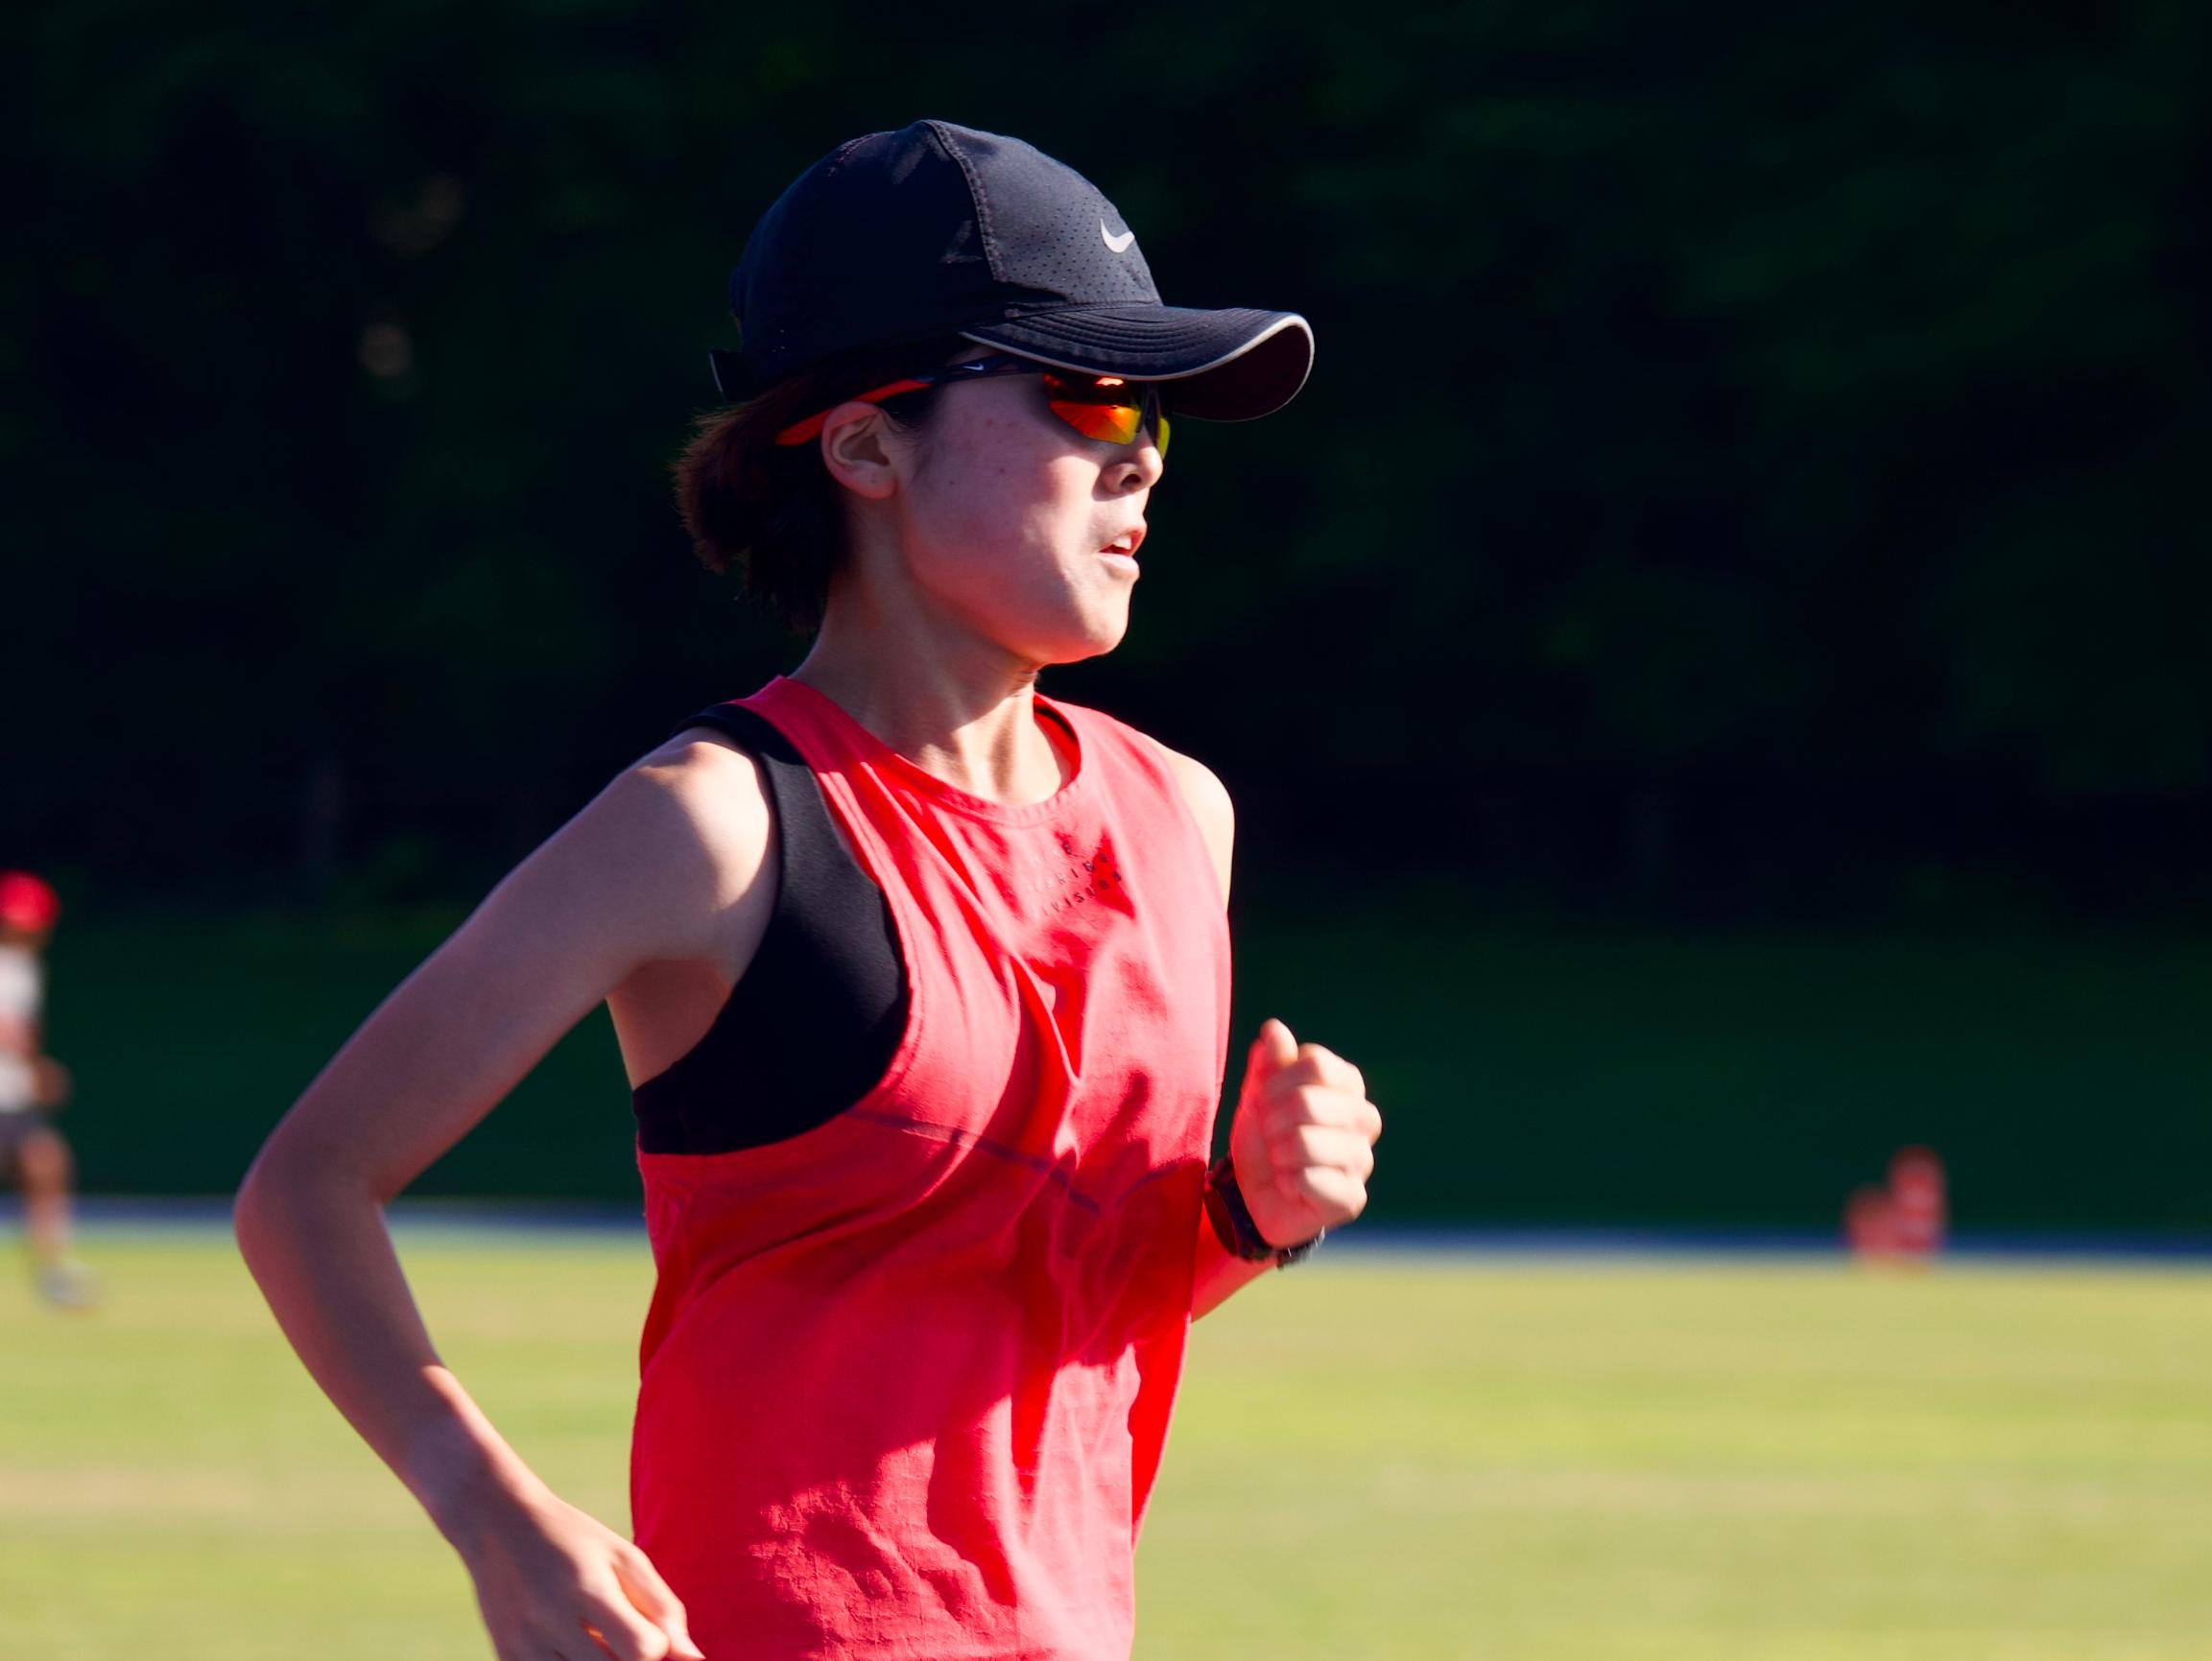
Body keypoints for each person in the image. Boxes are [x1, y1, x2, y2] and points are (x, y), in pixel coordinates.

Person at [235, 119, 1385, 1661]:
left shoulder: (1184, 816)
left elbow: (1071, 1301)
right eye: (1085, 390)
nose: (1139, 453)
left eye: (1158, 417)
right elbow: (305, 1187)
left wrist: (1251, 1214)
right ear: (860, 445)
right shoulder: (712, 825)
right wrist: (498, 1517)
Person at [0, 869, 94, 1309]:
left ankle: (52, 1269)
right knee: (45, 1162)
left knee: (45, 1164)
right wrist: (36, 1067)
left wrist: (31, 1072)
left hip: (11, 1099)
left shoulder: (25, 967)